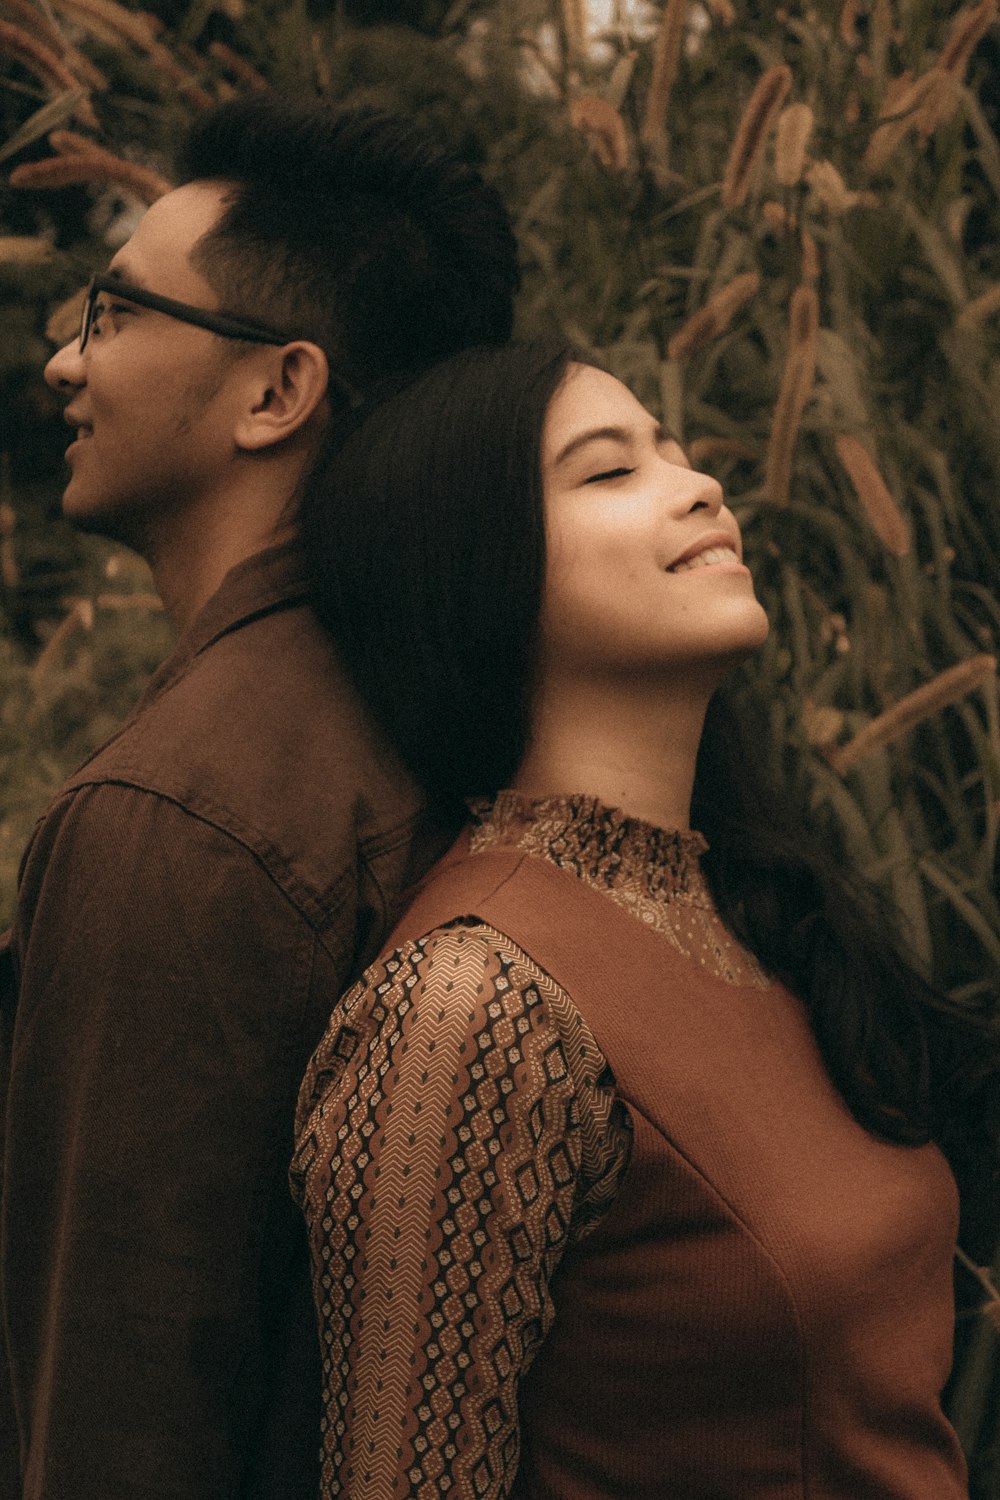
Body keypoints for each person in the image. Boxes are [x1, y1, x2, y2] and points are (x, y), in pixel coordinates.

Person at [291, 341, 999, 1499]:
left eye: (675, 450)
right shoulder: (472, 1007)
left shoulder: (756, 921)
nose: (701, 484)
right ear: (481, 567)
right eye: (608, 471)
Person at [0, 96, 518, 1499]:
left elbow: (120, 1409)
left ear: (278, 391)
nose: (62, 361)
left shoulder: (182, 815)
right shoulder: (462, 704)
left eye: (111, 316)